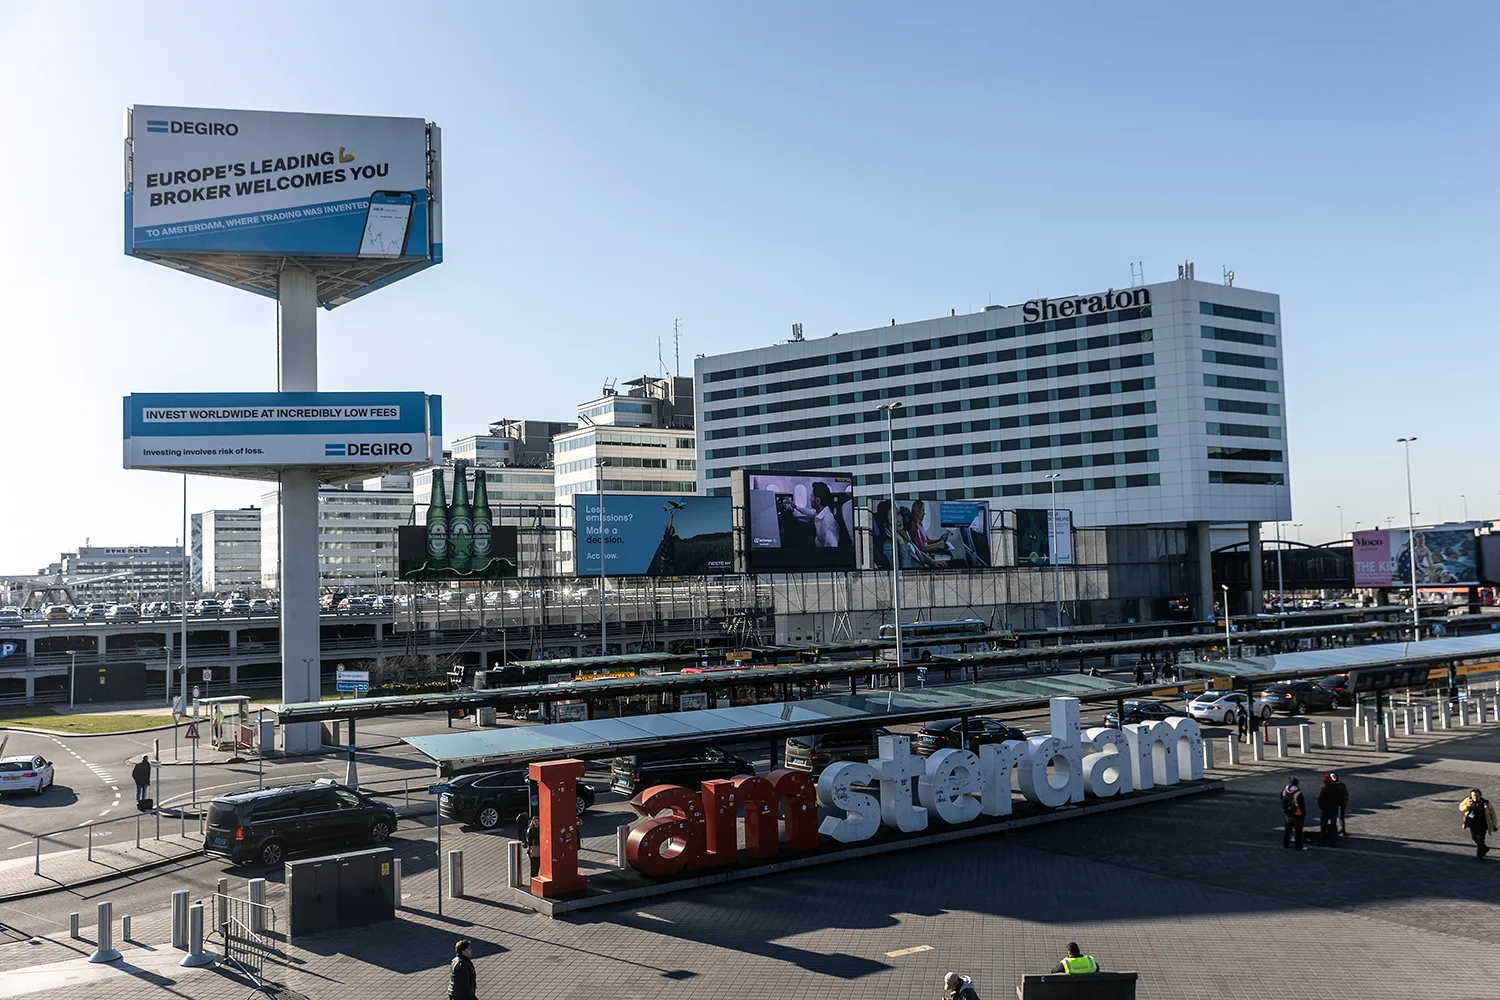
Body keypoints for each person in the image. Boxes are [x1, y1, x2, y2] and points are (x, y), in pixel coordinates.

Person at [1460, 788, 1497, 860]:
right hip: (1472, 824)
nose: (1475, 797)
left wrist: (1494, 825)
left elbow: (1493, 814)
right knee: (1474, 838)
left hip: (1482, 825)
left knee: (1480, 840)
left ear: (1480, 795)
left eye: (1477, 795)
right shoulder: (1468, 801)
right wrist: (1467, 806)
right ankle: (1484, 848)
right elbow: (1461, 807)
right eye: (1473, 795)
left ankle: (1479, 856)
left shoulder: (1485, 803)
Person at [1281, 777, 1307, 849]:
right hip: (1297, 813)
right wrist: (1303, 813)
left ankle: (1286, 844)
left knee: (1287, 829)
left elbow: (1282, 799)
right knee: (1298, 831)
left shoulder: (1284, 790)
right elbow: (1301, 804)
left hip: (1287, 813)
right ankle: (1298, 846)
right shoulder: (1298, 793)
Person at [1317, 773, 1341, 845]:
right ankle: (1333, 841)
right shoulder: (1337, 788)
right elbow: (1340, 799)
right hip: (1334, 809)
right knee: (1333, 825)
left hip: (1325, 810)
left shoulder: (1324, 789)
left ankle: (1322, 840)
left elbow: (1320, 800)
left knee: (1323, 826)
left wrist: (1322, 808)